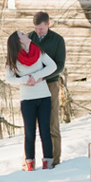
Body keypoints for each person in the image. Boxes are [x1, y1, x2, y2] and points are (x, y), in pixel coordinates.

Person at [5, 30, 56, 170]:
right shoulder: (13, 58)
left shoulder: (38, 51)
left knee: (45, 131)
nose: (26, 35)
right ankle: (30, 163)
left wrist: (38, 75)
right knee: (29, 132)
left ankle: (48, 162)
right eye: (22, 35)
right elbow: (9, 78)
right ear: (18, 41)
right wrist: (25, 80)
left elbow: (53, 66)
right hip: (27, 98)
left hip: (44, 95)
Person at [29, 11, 66, 166]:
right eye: (36, 28)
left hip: (50, 83)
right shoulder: (29, 38)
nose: (38, 32)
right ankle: (29, 162)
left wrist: (43, 76)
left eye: (41, 29)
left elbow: (60, 65)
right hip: (31, 85)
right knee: (30, 125)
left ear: (48, 24)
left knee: (51, 123)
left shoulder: (57, 40)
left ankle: (54, 161)